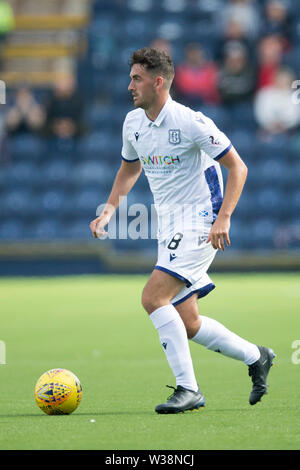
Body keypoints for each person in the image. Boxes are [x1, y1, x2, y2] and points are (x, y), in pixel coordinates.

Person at [89, 47, 276, 414]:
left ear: (158, 82)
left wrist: (223, 218)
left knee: (152, 298)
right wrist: (108, 210)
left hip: (200, 222)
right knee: (187, 322)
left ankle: (188, 390)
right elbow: (130, 170)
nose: (130, 86)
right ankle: (258, 357)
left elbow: (238, 168)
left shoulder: (191, 122)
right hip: (169, 226)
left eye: (137, 79)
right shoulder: (133, 124)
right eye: (130, 78)